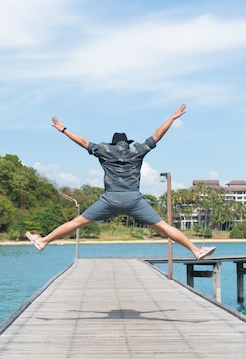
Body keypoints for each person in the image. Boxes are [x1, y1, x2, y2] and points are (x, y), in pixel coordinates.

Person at [26, 103, 216, 260]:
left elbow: (83, 142)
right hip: (134, 200)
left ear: (113, 143)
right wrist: (172, 118)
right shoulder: (137, 150)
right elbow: (157, 135)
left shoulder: (103, 150)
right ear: (127, 143)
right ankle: (195, 250)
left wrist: (63, 129)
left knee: (76, 222)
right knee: (165, 227)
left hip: (110, 199)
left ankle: (43, 241)